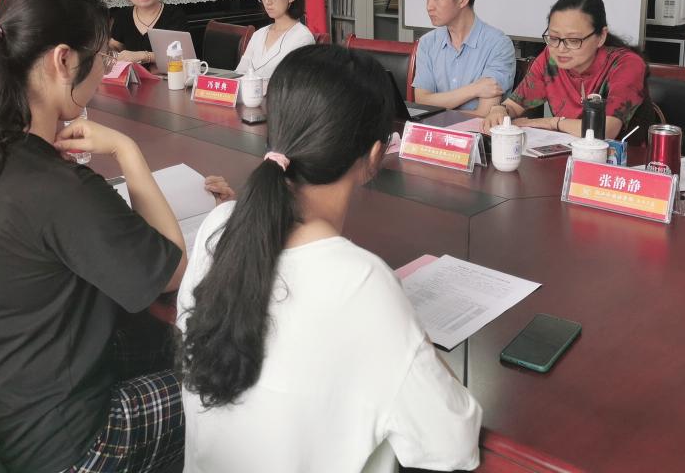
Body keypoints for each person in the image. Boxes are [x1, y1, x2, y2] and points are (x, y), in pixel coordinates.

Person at [0, 0, 221, 472]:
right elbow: (173, 268)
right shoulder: (56, 186)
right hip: (65, 445)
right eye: (102, 56)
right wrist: (128, 152)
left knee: (160, 339)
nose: (105, 66)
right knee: (227, 381)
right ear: (63, 60)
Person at [177, 44, 482, 473]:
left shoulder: (220, 225)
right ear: (374, 157)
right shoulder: (361, 283)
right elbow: (454, 443)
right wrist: (414, 339)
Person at [484, 0, 647, 139]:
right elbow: (514, 105)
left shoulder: (627, 64)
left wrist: (551, 123)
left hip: (623, 159)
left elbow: (603, 130)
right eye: (554, 38)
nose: (561, 49)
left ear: (601, 37)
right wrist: (499, 110)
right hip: (568, 155)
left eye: (573, 40)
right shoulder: (550, 59)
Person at [413, 0, 515, 117]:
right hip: (432, 131)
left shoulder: (498, 45)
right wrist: (474, 89)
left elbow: (484, 114)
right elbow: (421, 102)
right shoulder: (427, 43)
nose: (429, 6)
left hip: (477, 133)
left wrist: (437, 107)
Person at [235, 0, 315, 82]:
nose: (267, 2)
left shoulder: (302, 37)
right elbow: (240, 73)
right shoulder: (259, 34)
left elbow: (296, 83)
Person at [109, 0, 188, 66]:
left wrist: (144, 56)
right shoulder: (123, 15)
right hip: (133, 75)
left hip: (168, 74)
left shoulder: (174, 15)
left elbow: (181, 55)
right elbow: (115, 46)